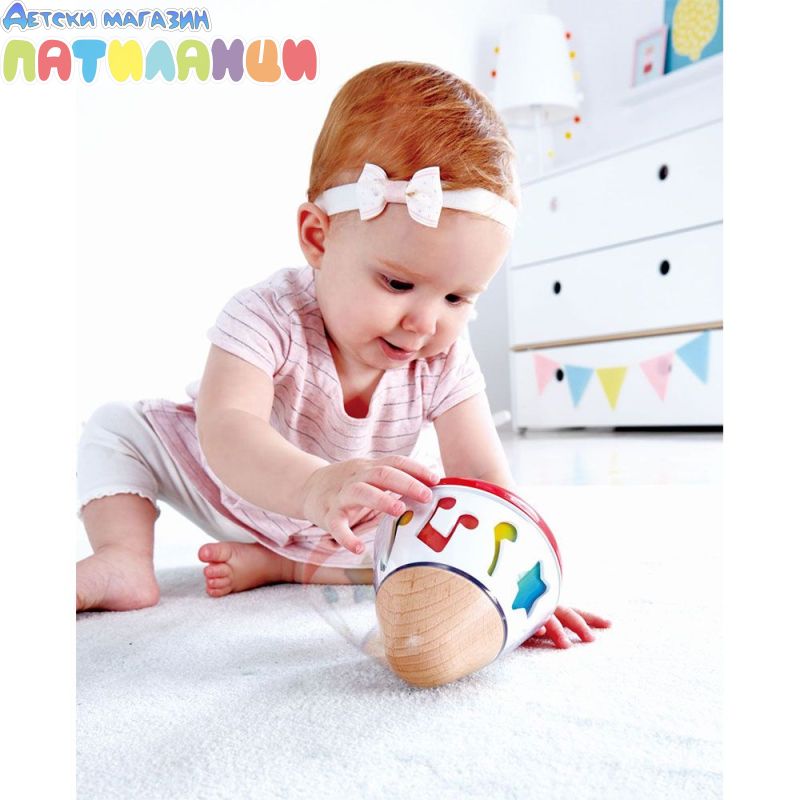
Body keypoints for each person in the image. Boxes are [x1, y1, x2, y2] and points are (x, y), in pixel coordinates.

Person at [76, 61, 610, 648]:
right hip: (232, 486)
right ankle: (123, 555)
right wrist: (313, 486)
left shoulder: (445, 357)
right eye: (398, 284)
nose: (425, 322)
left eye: (458, 298)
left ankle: (283, 565)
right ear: (318, 238)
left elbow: (483, 480)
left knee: (415, 536)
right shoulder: (267, 314)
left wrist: (515, 587)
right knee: (115, 428)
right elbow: (226, 429)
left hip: (345, 528)